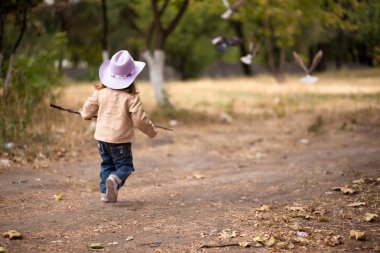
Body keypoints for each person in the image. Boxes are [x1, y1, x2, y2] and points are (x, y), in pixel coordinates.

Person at [79, 50, 158, 203]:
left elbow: (89, 107)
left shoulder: (100, 92)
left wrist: (84, 114)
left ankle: (105, 193)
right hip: (120, 140)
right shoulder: (131, 97)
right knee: (125, 166)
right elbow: (140, 119)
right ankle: (115, 181)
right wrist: (152, 131)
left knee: (107, 164)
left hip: (102, 139)